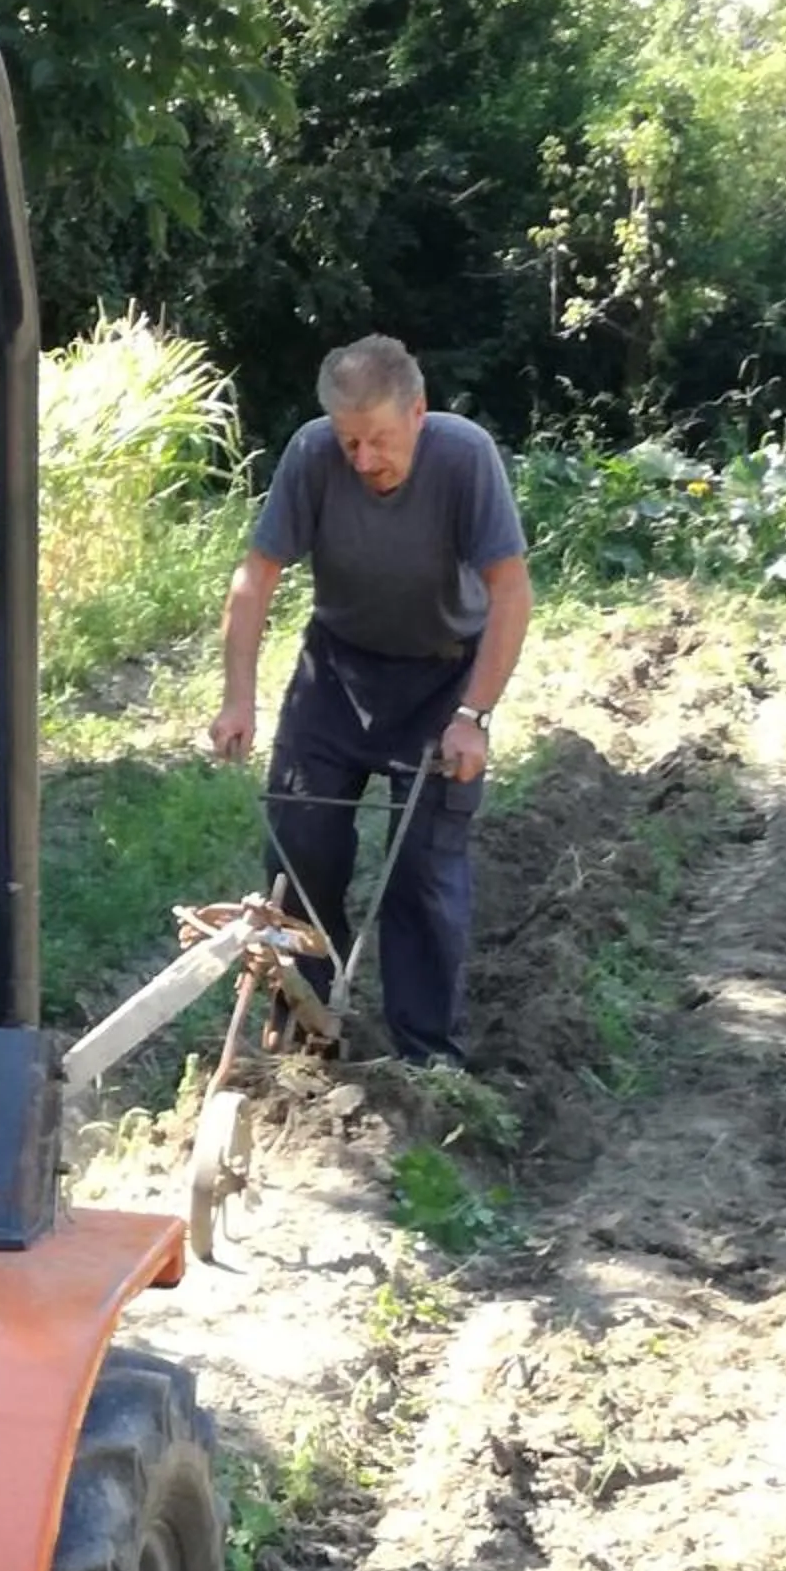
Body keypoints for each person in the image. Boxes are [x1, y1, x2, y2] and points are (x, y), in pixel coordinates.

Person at [207, 336, 531, 1069]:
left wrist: (472, 717)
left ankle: (427, 1060)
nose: (362, 460)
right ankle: (303, 1030)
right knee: (300, 849)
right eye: (350, 441)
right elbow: (254, 581)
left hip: (442, 678)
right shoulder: (311, 454)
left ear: (419, 412)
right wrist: (237, 701)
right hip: (338, 672)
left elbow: (511, 592)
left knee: (422, 865)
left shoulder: (464, 457)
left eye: (379, 439)